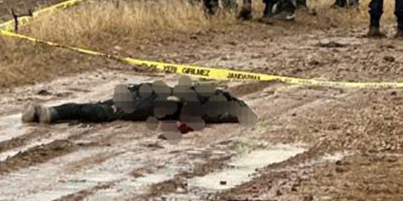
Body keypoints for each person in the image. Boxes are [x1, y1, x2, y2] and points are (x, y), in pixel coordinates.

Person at [21, 79, 255, 127]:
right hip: (146, 98)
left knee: (102, 109)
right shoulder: (208, 102)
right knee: (104, 111)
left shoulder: (210, 103)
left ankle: (51, 112)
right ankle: (51, 112)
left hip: (144, 97)